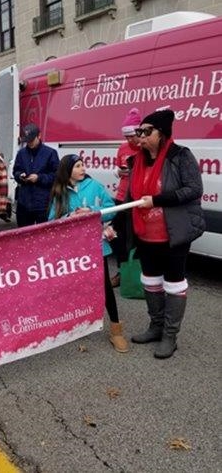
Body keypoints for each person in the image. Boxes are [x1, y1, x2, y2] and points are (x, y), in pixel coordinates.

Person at [129, 109, 205, 359]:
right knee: (150, 281)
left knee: (173, 283)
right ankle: (156, 326)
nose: (139, 136)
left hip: (174, 233)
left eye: (145, 131)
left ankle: (170, 336)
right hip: (146, 234)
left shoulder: (180, 156)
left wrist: (159, 200)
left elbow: (194, 189)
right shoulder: (137, 160)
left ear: (161, 134)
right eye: (138, 131)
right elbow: (131, 197)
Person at [48, 154, 129, 353]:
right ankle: (74, 323)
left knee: (105, 287)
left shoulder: (94, 186)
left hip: (96, 247)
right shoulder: (59, 192)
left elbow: (112, 209)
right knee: (74, 287)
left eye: (83, 165)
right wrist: (70, 216)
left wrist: (92, 211)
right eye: (77, 166)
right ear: (67, 171)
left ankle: (116, 330)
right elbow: (51, 221)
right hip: (73, 251)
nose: (82, 169)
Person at [109, 108, 142, 287]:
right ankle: (122, 270)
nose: (130, 140)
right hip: (122, 197)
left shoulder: (145, 147)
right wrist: (119, 171)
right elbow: (117, 168)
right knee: (114, 234)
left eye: (132, 136)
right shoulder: (123, 148)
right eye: (127, 136)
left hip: (138, 198)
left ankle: (136, 274)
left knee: (136, 237)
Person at [13, 123, 59, 227]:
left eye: (31, 140)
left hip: (43, 203)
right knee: (23, 236)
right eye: (27, 141)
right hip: (24, 203)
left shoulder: (50, 153)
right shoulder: (21, 153)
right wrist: (20, 176)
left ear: (39, 136)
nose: (29, 143)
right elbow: (16, 171)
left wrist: (39, 178)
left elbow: (56, 176)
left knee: (43, 236)